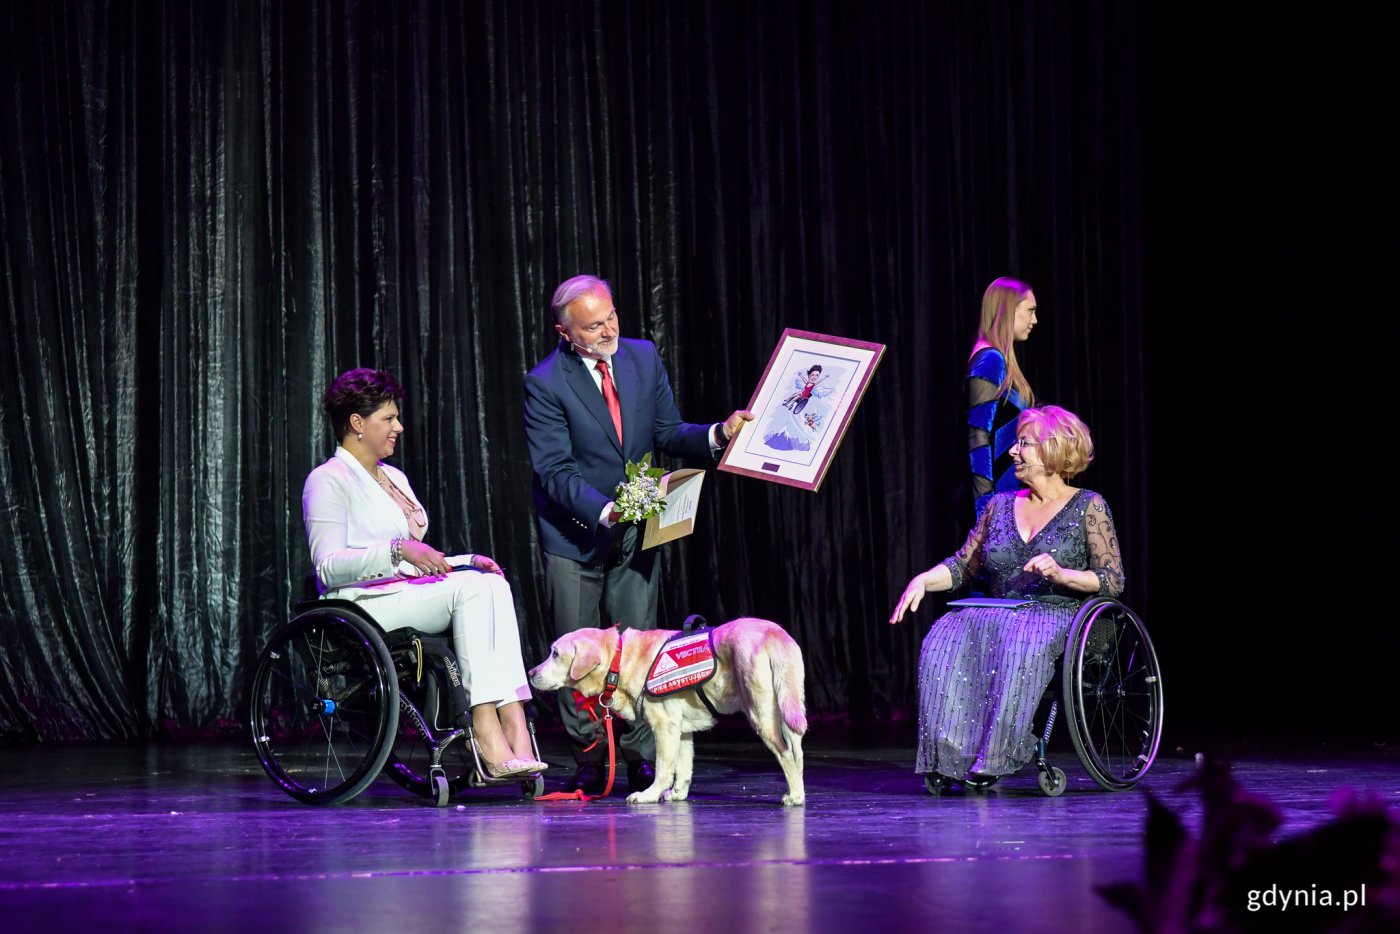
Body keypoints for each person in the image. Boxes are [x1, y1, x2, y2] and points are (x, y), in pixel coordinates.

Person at [524, 275, 752, 796]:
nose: (607, 329)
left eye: (611, 316)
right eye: (593, 325)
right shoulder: (545, 382)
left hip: (637, 534)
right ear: (566, 332)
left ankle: (643, 758)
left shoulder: (642, 358)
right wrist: (606, 511)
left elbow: (669, 433)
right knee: (576, 658)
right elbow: (555, 470)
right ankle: (588, 758)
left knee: (640, 653)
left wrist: (720, 433)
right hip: (576, 535)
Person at [303, 368, 546, 780]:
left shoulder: (393, 477)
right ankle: (483, 726)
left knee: (491, 582)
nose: (399, 427)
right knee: (471, 592)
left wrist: (464, 560)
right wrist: (398, 549)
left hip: (404, 591)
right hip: (362, 604)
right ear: (357, 424)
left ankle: (515, 724)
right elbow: (328, 566)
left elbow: (412, 558)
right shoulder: (328, 479)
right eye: (389, 418)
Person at [890, 405, 1124, 784]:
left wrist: (1063, 574)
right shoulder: (998, 506)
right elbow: (963, 565)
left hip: (1059, 614)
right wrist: (923, 580)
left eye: (1023, 444)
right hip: (1000, 611)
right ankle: (952, 756)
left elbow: (1112, 580)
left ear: (1054, 450)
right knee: (943, 636)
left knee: (1022, 639)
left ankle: (995, 754)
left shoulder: (1088, 507)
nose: (1013, 452)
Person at [967, 277, 1038, 518]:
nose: (1034, 320)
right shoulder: (991, 360)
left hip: (1009, 497)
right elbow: (978, 434)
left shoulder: (998, 359)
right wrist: (986, 508)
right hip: (997, 501)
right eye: (1030, 311)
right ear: (1009, 311)